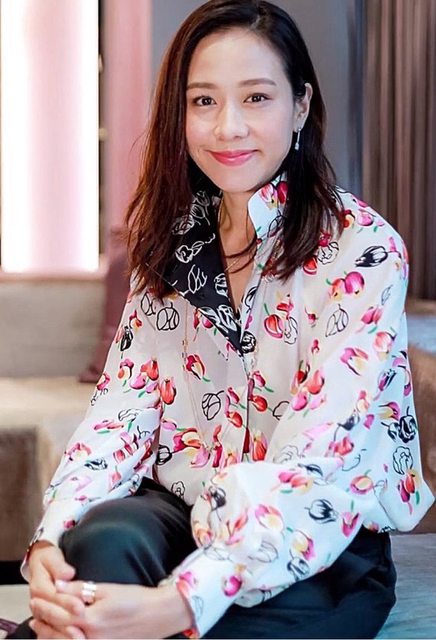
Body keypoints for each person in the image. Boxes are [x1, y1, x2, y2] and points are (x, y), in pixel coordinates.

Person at [10, 0, 434, 638]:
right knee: (99, 543)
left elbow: (318, 459)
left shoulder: (363, 249)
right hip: (181, 512)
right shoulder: (170, 245)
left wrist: (179, 605)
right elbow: (122, 409)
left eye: (256, 97)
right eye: (203, 101)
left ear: (300, 106)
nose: (227, 127)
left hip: (314, 538)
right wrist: (52, 539)